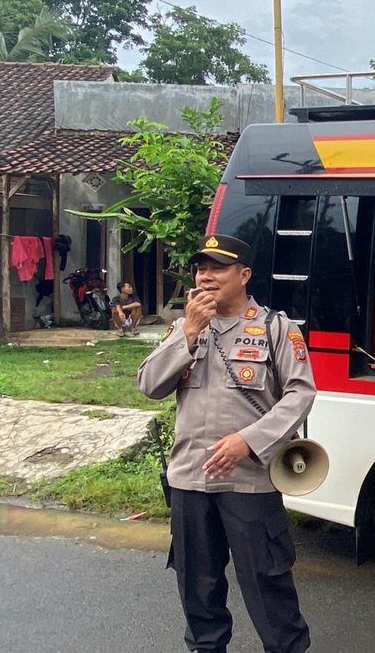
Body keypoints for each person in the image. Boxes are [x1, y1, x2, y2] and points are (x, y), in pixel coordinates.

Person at [136, 234, 315, 653]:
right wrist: (189, 334)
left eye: (218, 267)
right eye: (201, 268)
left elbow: (300, 394)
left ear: (244, 275)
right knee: (197, 587)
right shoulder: (185, 328)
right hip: (189, 482)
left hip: (249, 481)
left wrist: (249, 441)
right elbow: (148, 385)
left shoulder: (275, 328)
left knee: (268, 583)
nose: (206, 276)